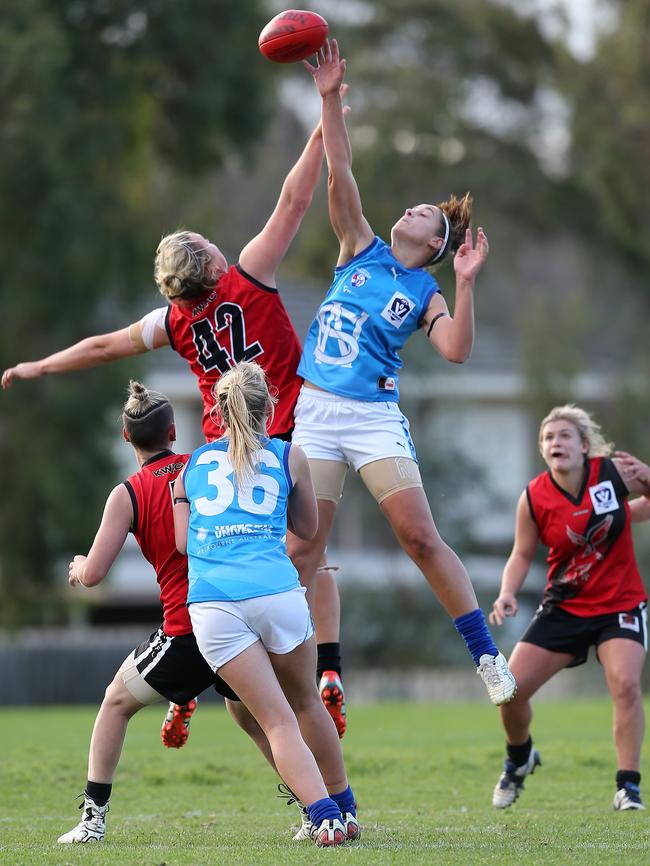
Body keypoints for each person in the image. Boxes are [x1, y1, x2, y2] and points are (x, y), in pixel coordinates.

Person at [1, 118, 348, 736]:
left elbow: (105, 347)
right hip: (279, 438)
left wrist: (40, 366)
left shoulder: (174, 321)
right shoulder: (250, 274)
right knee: (302, 553)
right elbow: (296, 197)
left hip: (215, 454)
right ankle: (323, 668)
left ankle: (189, 682)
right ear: (211, 259)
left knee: (204, 561)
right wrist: (325, 120)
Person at [288, 39, 515, 705]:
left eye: (425, 214)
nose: (413, 209)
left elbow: (456, 352)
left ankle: (485, 658)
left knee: (419, 537)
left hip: (372, 418)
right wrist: (329, 98)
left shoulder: (426, 292)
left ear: (437, 246)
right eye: (417, 205)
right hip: (316, 415)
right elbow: (339, 173)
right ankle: (290, 669)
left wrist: (467, 285)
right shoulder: (360, 247)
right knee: (304, 551)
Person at [58, 380, 279, 844]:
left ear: (125, 436)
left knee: (114, 704)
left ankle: (92, 822)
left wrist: (77, 568)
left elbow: (95, 574)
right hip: (240, 615)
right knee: (259, 722)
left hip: (188, 627)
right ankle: (318, 810)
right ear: (174, 432)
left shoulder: (128, 493)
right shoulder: (202, 463)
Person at [173, 361, 359, 847]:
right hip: (277, 594)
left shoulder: (192, 466)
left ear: (217, 410)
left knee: (272, 719)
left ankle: (321, 816)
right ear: (269, 407)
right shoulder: (289, 455)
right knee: (304, 704)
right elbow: (307, 529)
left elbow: (181, 544)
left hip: (214, 605)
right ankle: (344, 809)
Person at [489, 405, 650, 811]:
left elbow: (643, 505)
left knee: (627, 685)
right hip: (564, 608)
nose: (555, 442)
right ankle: (520, 757)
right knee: (508, 691)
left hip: (620, 604)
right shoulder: (534, 497)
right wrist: (507, 592)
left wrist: (647, 477)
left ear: (583, 445)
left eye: (564, 436)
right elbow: (521, 554)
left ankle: (628, 787)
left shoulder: (612, 474)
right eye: (548, 438)